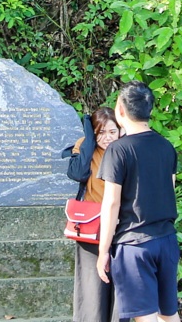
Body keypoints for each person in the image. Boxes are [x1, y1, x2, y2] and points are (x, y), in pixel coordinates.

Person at [96, 83, 180, 322]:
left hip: (134, 245)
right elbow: (169, 190)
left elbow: (111, 203)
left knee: (145, 317)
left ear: (120, 110)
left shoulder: (118, 150)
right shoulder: (166, 147)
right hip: (166, 240)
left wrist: (103, 252)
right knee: (169, 314)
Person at [67, 107, 121, 322]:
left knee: (119, 290)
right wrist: (89, 137)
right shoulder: (85, 146)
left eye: (112, 131)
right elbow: (77, 173)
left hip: (119, 225)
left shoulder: (126, 150)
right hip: (91, 227)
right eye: (101, 132)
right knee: (91, 292)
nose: (106, 138)